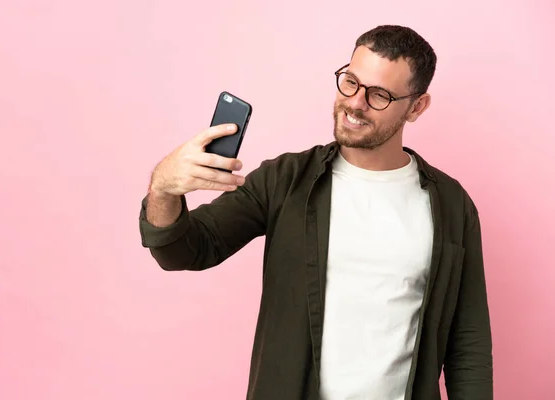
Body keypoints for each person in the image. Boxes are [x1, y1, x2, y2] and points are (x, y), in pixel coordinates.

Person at [138, 25, 493, 400]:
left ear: (417, 106)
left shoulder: (452, 205)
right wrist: (164, 188)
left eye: (379, 96)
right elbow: (184, 250)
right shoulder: (285, 179)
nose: (356, 103)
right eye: (350, 82)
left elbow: (467, 342)